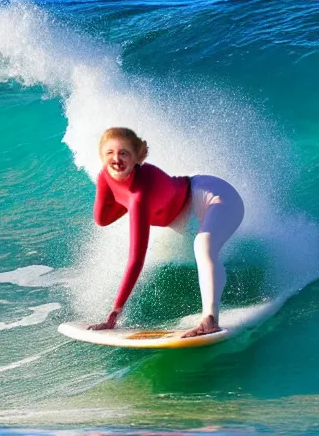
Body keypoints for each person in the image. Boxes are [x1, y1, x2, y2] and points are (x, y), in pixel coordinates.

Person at [88, 127, 244, 337]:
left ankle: (210, 320)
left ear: (137, 158)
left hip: (214, 196)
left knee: (203, 246)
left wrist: (113, 315)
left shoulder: (140, 195)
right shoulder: (104, 177)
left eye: (124, 153)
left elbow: (136, 259)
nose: (116, 159)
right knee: (101, 218)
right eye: (109, 153)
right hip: (188, 209)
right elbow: (102, 218)